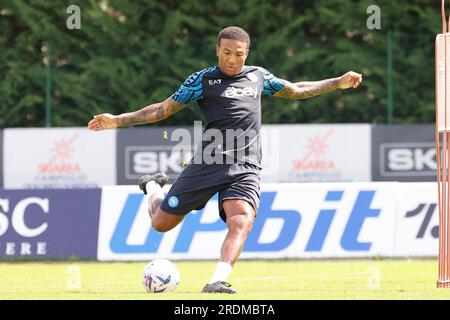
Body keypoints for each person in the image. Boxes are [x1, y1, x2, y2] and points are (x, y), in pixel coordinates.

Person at [88, 26, 362, 294]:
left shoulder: (259, 77)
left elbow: (297, 90)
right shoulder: (202, 80)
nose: (232, 59)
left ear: (247, 52)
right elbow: (163, 109)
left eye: (239, 54)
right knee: (161, 224)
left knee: (241, 218)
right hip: (208, 162)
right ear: (217, 50)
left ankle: (217, 281)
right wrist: (117, 120)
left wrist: (337, 82)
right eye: (226, 52)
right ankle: (152, 187)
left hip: (246, 166)